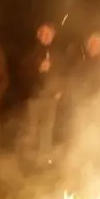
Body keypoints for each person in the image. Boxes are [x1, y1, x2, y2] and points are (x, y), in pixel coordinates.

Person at [21, 23, 63, 165]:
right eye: (43, 33)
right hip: (35, 98)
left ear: (53, 36)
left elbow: (62, 73)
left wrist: (59, 90)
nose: (45, 36)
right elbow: (23, 73)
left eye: (48, 33)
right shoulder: (31, 52)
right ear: (38, 36)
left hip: (50, 99)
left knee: (47, 131)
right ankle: (29, 161)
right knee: (32, 131)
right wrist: (38, 68)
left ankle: (44, 161)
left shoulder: (56, 53)